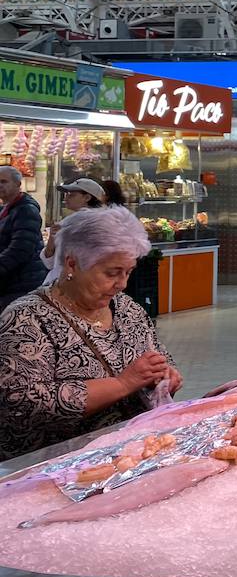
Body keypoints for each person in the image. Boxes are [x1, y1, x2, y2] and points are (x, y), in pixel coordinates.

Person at [0, 207, 181, 459]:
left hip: (131, 453)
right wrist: (123, 383)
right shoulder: (27, 318)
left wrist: (164, 376)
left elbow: (158, 356)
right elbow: (24, 401)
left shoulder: (127, 308)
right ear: (72, 263)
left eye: (128, 272)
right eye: (112, 273)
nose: (122, 284)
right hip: (55, 464)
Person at [41, 178, 107, 286]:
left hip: (76, 286)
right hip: (60, 283)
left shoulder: (98, 225)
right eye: (66, 194)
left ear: (87, 197)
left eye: (72, 194)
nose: (66, 197)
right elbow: (50, 262)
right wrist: (52, 239)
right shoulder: (68, 222)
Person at [0, 165, 47, 312]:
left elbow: (20, 249)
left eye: (4, 181)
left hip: (22, 282)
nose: (0, 186)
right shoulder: (6, 208)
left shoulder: (26, 210)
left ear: (18, 184)